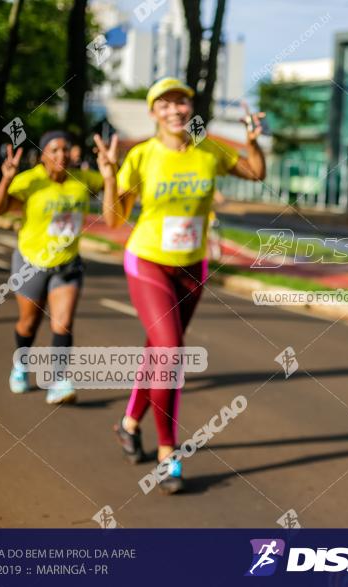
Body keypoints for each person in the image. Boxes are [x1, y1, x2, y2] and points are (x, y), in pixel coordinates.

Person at [96, 77, 266, 494]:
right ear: (154, 112)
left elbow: (256, 173)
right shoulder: (141, 156)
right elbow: (115, 220)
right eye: (166, 104)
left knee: (158, 350)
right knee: (170, 352)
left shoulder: (208, 150)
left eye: (182, 103)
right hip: (148, 261)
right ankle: (168, 453)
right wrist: (109, 176)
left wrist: (252, 140)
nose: (176, 110)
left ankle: (128, 423)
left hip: (193, 266)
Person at [0, 131, 105, 404]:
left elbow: (115, 187)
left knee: (62, 322)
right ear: (42, 156)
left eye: (65, 149)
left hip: (67, 263)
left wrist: (110, 171)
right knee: (29, 323)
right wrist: (6, 178)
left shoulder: (83, 179)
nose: (61, 155)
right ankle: (21, 364)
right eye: (54, 150)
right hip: (31, 263)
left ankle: (59, 381)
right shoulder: (30, 181)